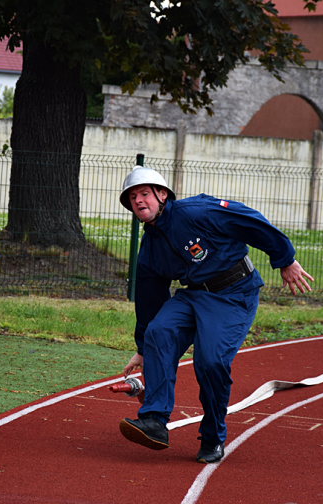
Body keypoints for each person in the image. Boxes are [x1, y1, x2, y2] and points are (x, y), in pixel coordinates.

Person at [117, 166, 313, 463]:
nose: (139, 201)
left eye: (144, 194)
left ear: (163, 195)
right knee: (159, 332)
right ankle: (154, 421)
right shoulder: (150, 248)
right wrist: (144, 350)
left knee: (210, 362)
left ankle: (212, 436)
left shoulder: (197, 212)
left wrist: (284, 258)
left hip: (234, 293)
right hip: (193, 294)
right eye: (132, 198)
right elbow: (148, 301)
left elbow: (248, 220)